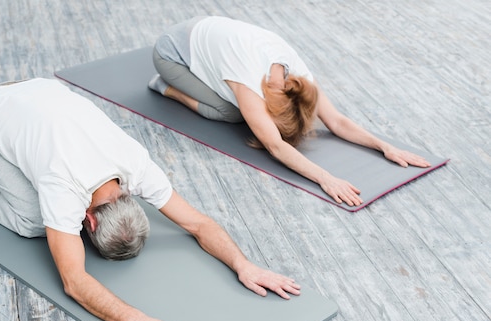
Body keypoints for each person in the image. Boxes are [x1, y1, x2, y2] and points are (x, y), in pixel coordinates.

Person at [0, 78, 301, 321]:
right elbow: (74, 281)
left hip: (43, 88)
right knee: (34, 221)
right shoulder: (62, 192)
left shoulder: (137, 166)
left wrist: (244, 265)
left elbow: (199, 224)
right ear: (88, 221)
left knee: (43, 201)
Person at [148, 16, 431, 207]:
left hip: (207, 31)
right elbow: (275, 145)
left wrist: (385, 147)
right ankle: (166, 87)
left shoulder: (299, 76)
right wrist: (326, 178)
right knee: (229, 112)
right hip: (172, 53)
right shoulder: (246, 78)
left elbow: (336, 121)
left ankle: (202, 75)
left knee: (240, 110)